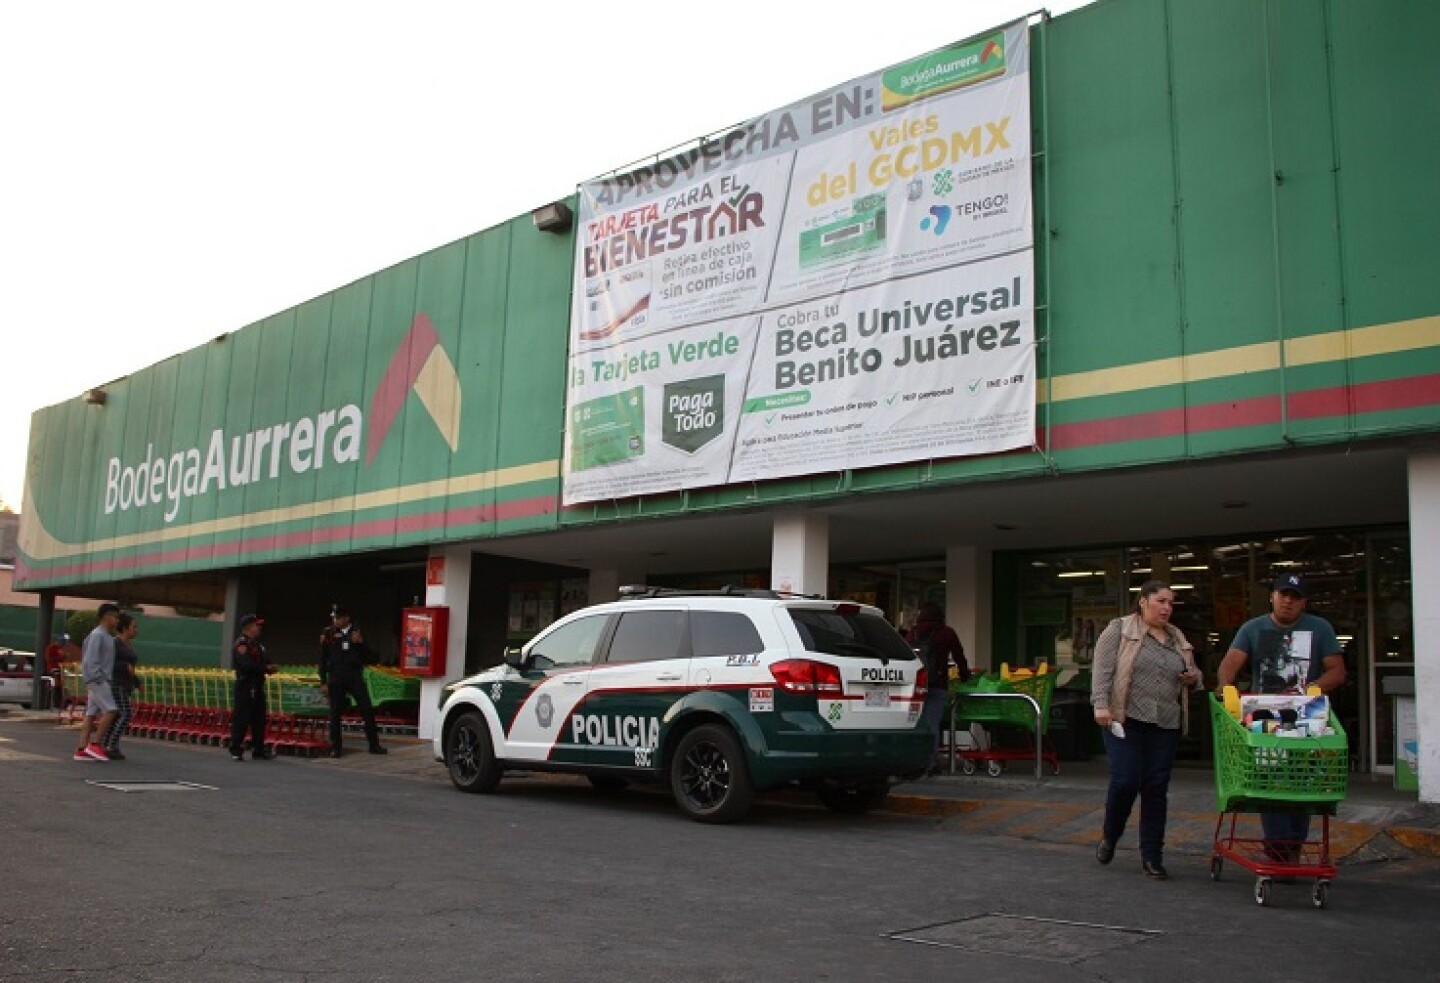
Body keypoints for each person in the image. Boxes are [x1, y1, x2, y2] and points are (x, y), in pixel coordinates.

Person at [1216, 573, 1346, 863]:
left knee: (1301, 783)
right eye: (1283, 594)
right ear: (1272, 597)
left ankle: (1292, 845)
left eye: (1295, 597)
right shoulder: (1252, 628)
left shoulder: (1319, 629)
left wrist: (1314, 688)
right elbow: (1230, 663)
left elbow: (1337, 670)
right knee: (1269, 781)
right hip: (1264, 718)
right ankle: (1278, 849)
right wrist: (1228, 688)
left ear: (1304, 603)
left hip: (1306, 717)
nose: (1288, 601)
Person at [1090, 581, 1203, 879]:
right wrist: (1100, 704)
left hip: (1165, 722)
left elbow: (1195, 673)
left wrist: (1193, 678)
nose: (1167, 607)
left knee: (1156, 787)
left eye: (1171, 603)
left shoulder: (1176, 637)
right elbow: (1102, 670)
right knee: (1126, 781)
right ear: (1143, 601)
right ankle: (1110, 836)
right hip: (1124, 719)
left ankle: (1152, 856)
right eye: (1161, 601)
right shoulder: (1120, 629)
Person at [906, 602, 970, 775]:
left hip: (916, 684)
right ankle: (931, 763)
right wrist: (965, 675)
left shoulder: (913, 632)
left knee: (916, 722)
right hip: (937, 683)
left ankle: (915, 760)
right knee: (932, 723)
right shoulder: (946, 633)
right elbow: (959, 656)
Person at [318, 605, 387, 757]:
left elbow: (370, 657)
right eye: (334, 618)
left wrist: (360, 643)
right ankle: (336, 747)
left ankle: (373, 744)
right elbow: (323, 659)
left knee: (367, 709)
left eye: (338, 618)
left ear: (346, 618)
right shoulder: (328, 633)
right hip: (336, 677)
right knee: (335, 712)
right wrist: (323, 681)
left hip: (354, 676)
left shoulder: (356, 632)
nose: (335, 621)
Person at [74, 604, 122, 761]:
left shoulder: (106, 636)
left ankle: (82, 749)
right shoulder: (98, 635)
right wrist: (96, 678)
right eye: (115, 617)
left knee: (90, 713)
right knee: (111, 710)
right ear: (106, 617)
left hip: (98, 678)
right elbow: (90, 659)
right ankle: (95, 744)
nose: (117, 620)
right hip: (98, 679)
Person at [229, 614, 277, 761]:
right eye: (257, 625)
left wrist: (270, 667)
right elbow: (246, 665)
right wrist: (265, 668)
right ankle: (236, 749)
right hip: (245, 684)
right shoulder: (241, 644)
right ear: (249, 627)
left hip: (257, 684)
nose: (259, 627)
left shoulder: (258, 645)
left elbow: (267, 661)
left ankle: (259, 749)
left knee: (259, 719)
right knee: (242, 718)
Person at [100, 613, 142, 760]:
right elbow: (109, 663)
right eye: (133, 627)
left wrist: (136, 682)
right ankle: (111, 745)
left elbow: (131, 668)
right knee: (125, 713)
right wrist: (124, 666)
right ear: (124, 628)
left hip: (126, 684)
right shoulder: (115, 644)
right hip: (116, 684)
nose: (136, 630)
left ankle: (107, 744)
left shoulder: (128, 645)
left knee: (117, 714)